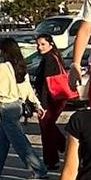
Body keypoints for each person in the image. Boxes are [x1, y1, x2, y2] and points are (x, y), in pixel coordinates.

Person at [0, 38, 49, 180]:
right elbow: (28, 88)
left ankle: (38, 169)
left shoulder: (3, 67)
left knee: (19, 142)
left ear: (4, 51)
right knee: (1, 142)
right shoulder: (20, 66)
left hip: (6, 106)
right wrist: (37, 104)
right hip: (17, 105)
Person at [31, 33, 73, 169]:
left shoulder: (49, 59)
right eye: (38, 44)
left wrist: (41, 105)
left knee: (46, 128)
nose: (39, 47)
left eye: (43, 44)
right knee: (49, 126)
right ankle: (61, 146)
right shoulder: (53, 56)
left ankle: (52, 159)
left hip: (51, 99)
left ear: (51, 44)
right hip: (56, 98)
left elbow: (46, 85)